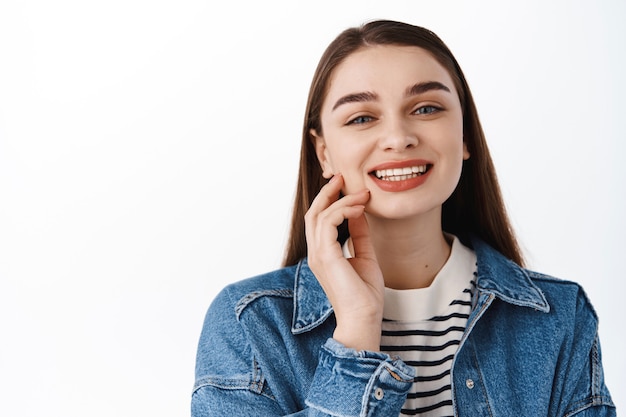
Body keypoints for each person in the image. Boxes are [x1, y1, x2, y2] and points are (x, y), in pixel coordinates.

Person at [191, 20, 615, 416]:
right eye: (361, 118)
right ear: (323, 152)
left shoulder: (559, 316)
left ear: (465, 134)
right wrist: (356, 334)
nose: (398, 138)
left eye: (427, 108)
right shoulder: (250, 324)